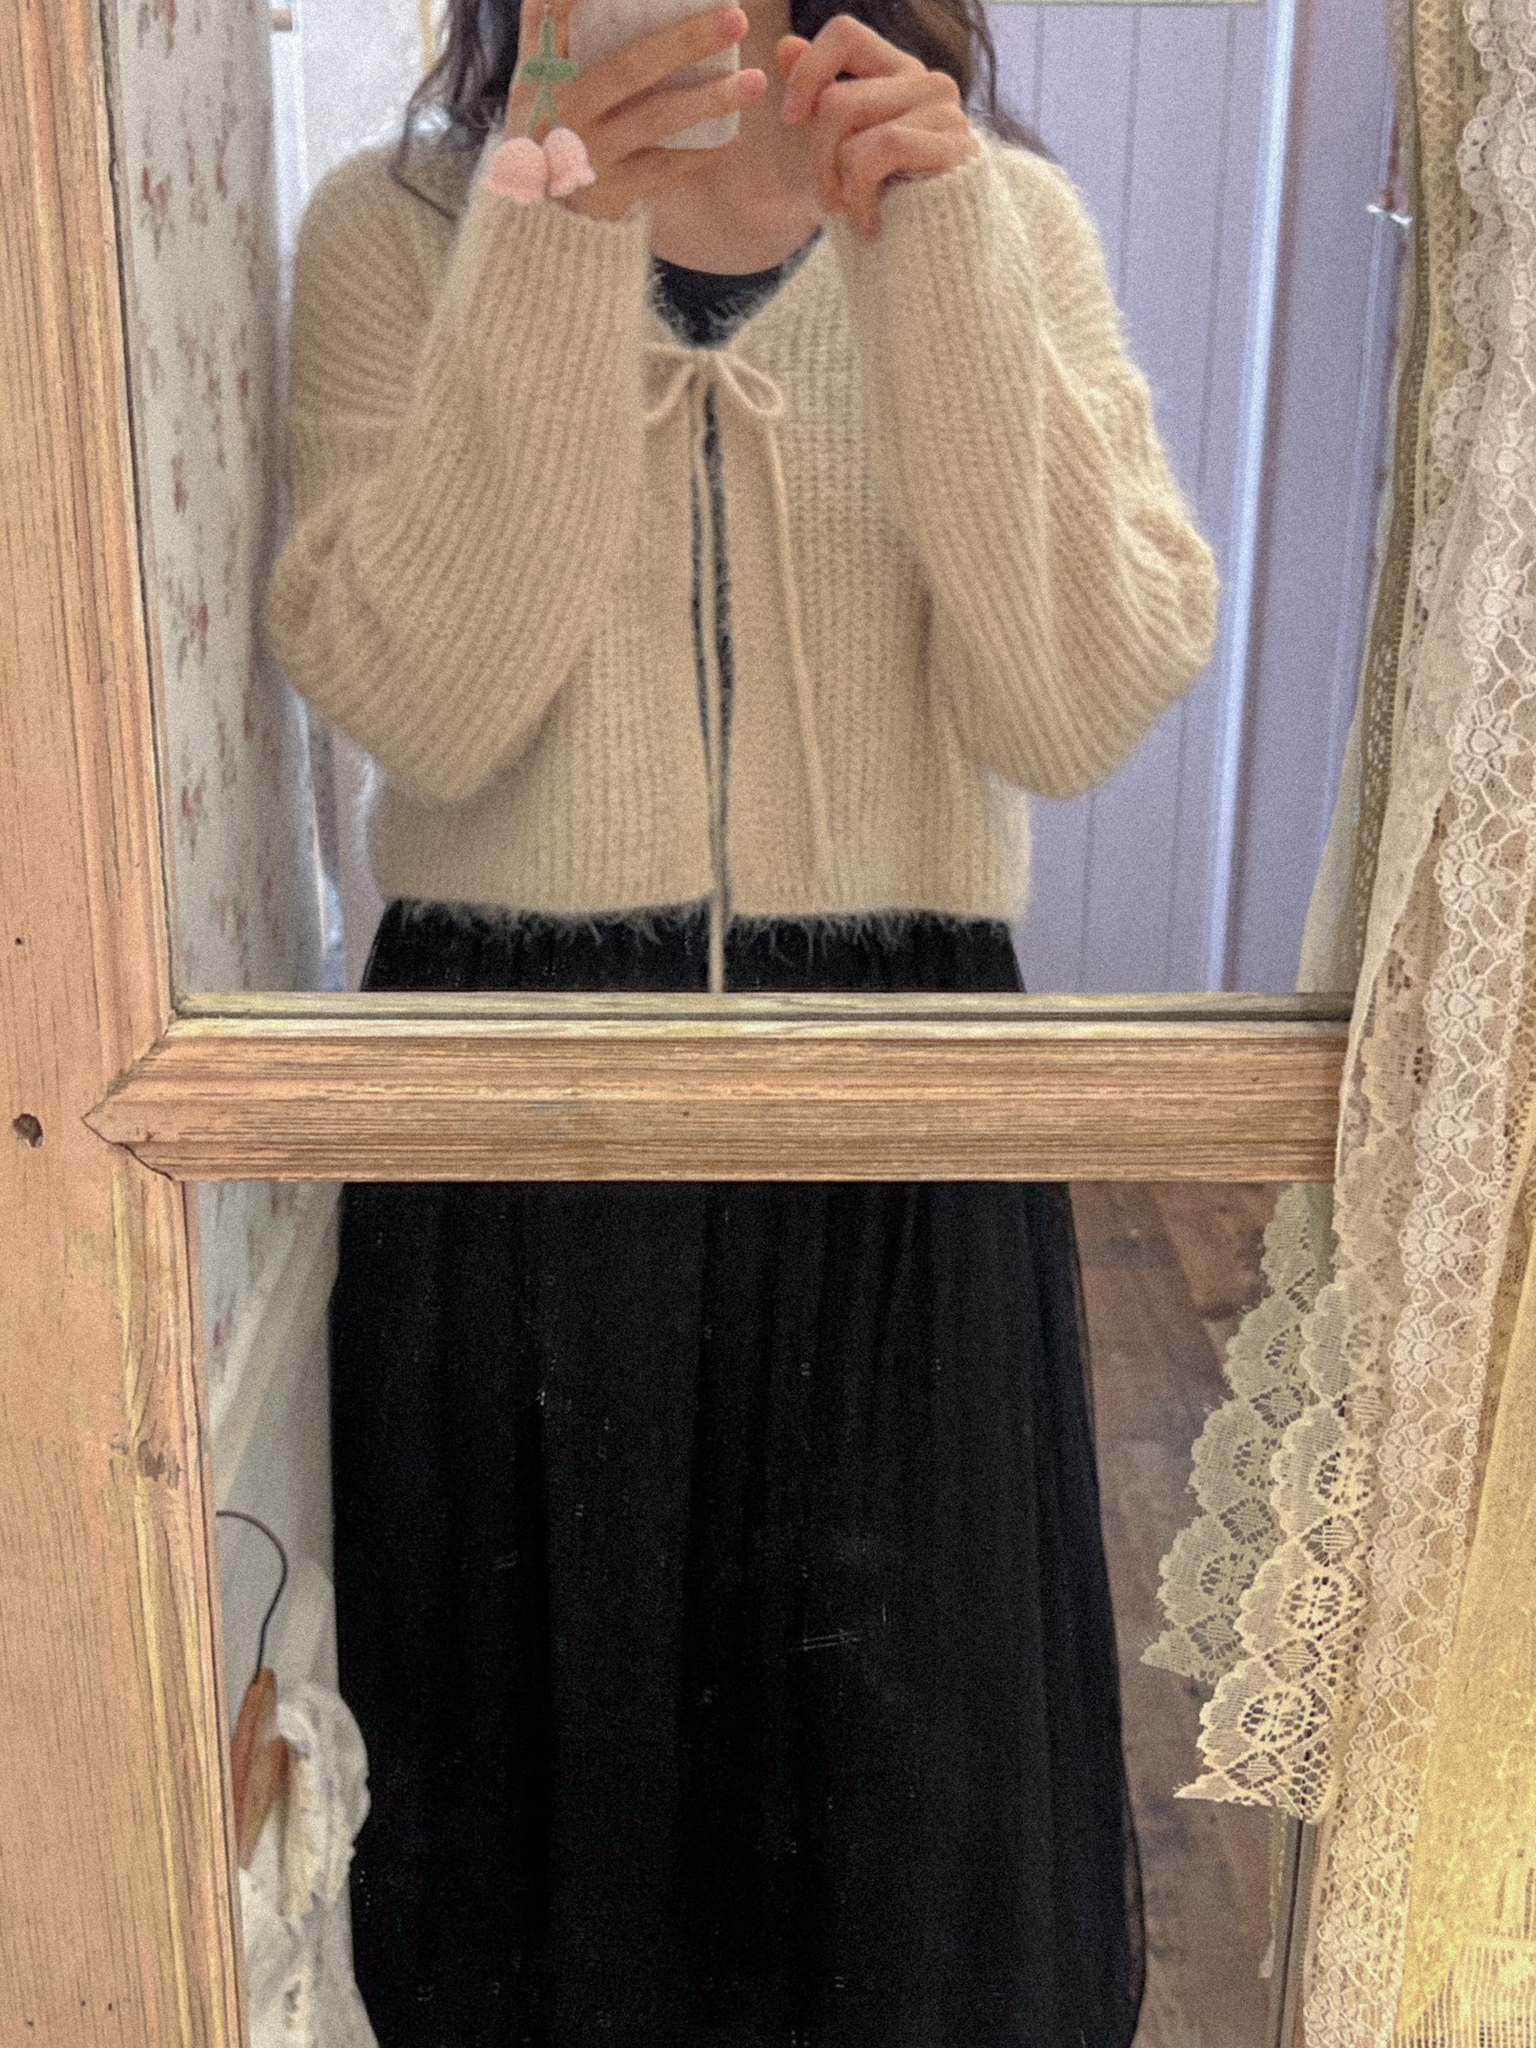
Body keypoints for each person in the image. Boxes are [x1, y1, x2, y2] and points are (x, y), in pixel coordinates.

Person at [266, 0, 1217, 2036]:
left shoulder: (994, 217)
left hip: (902, 1104)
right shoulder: (391, 230)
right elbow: (426, 703)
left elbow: (1075, 703)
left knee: (907, 1847)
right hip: (510, 1107)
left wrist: (947, 269)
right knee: (539, 1859)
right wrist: (549, 236)